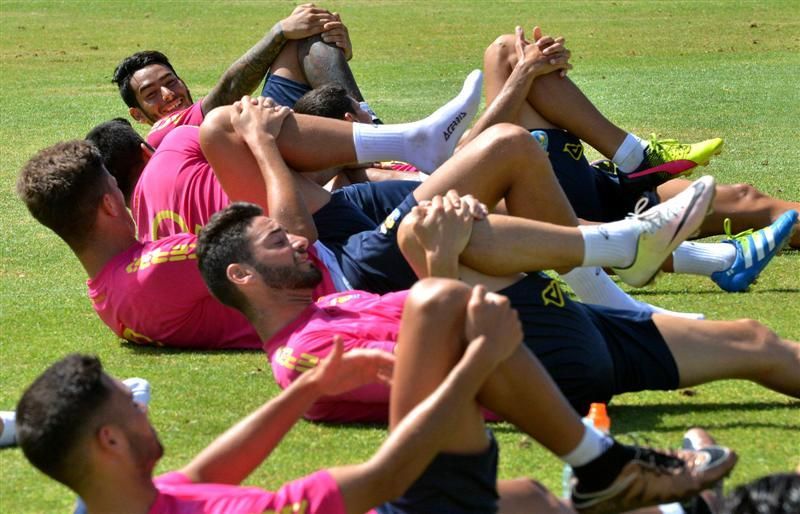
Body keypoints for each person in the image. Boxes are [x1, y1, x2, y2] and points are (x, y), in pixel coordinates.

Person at [15, 292, 736, 514]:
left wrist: (306, 390)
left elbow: (202, 476)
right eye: (130, 408)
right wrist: (478, 363)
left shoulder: (106, 499)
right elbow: (389, 476)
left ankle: (649, 498)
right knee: (445, 308)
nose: (145, 411)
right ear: (109, 443)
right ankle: (604, 467)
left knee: (528, 503)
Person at [195, 198, 800, 422]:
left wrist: (451, 249)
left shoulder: (335, 302)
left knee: (752, 340)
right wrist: (439, 259)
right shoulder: (301, 356)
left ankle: (625, 245)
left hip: (557, 329)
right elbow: (433, 384)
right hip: (523, 366)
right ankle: (624, 244)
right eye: (279, 242)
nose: (299, 241)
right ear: (242, 277)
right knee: (419, 231)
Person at [482, 26, 800, 253]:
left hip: (602, 184)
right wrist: (525, 72)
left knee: (747, 199)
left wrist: (540, 63)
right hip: (566, 209)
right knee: (507, 51)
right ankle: (637, 156)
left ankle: (636, 159)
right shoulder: (443, 189)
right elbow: (472, 156)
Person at [112, 3, 375, 149]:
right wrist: (279, 31)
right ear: (137, 114)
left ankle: (371, 125)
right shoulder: (160, 136)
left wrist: (334, 52)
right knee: (290, 36)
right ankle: (381, 141)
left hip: (279, 131)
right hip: (273, 157)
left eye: (170, 82)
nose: (168, 94)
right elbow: (228, 90)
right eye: (151, 94)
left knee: (305, 37)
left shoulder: (206, 111)